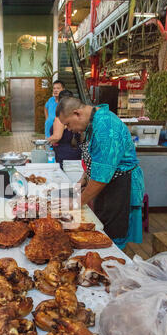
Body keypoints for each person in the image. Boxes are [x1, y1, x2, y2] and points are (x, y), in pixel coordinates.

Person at [56, 97, 145, 250]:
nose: (68, 129)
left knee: (111, 235)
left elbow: (101, 178)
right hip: (106, 181)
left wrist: (77, 202)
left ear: (77, 113)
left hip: (120, 184)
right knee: (101, 224)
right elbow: (94, 160)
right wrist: (81, 182)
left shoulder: (105, 127)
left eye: (68, 124)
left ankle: (114, 265)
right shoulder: (92, 122)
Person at [46, 89, 82, 169]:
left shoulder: (61, 117)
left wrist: (43, 142)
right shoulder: (75, 115)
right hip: (76, 152)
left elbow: (57, 137)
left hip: (64, 154)